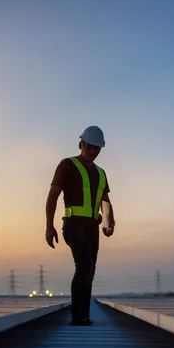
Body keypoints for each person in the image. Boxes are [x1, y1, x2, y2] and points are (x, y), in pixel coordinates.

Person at [45, 126, 115, 326]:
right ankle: (77, 316)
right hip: (73, 225)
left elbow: (106, 201)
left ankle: (84, 314)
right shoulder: (67, 165)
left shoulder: (101, 173)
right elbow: (52, 197)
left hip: (93, 227)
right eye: (90, 147)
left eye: (97, 148)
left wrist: (109, 222)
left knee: (90, 270)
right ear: (81, 144)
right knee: (83, 266)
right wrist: (49, 226)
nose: (93, 151)